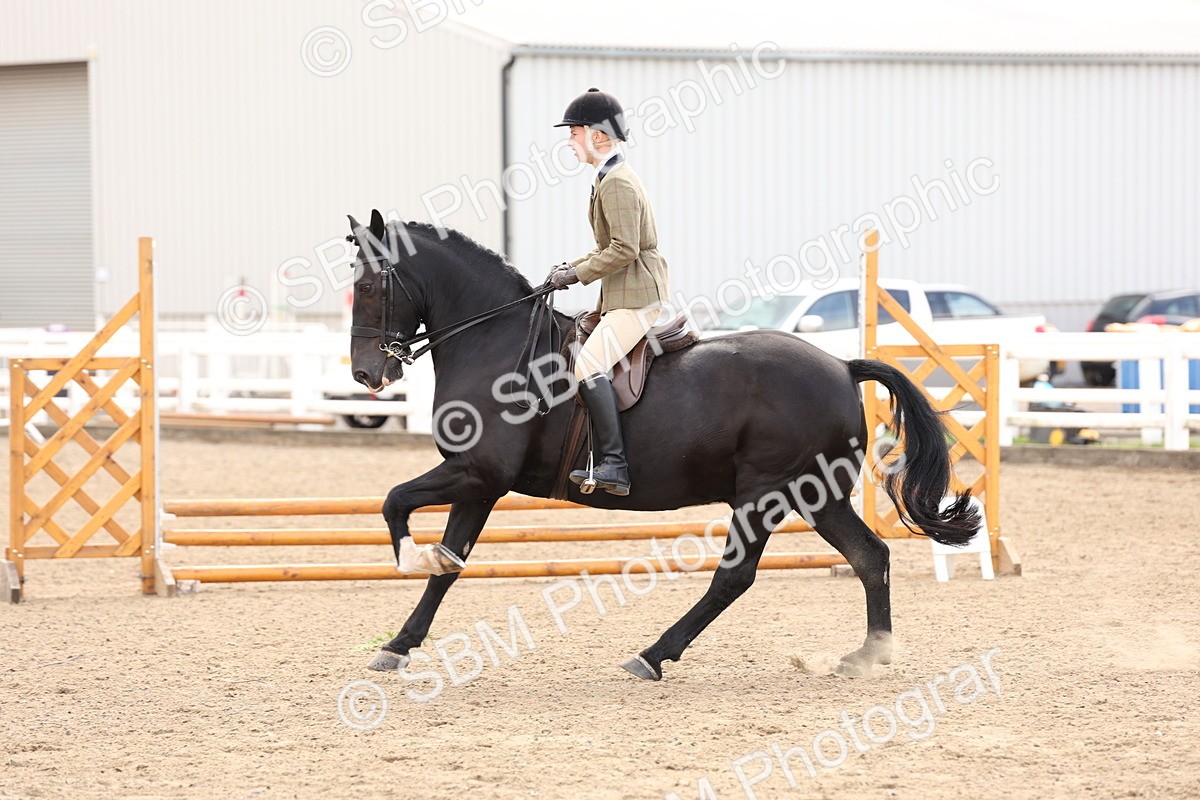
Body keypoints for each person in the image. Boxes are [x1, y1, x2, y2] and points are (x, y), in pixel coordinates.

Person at [546, 88, 669, 497]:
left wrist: (576, 275)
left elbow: (624, 249)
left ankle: (614, 464)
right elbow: (607, 247)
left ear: (598, 136)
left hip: (637, 295)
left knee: (588, 365)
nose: (569, 141)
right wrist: (570, 268)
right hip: (622, 293)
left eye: (574, 133)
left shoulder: (616, 182)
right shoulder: (607, 178)